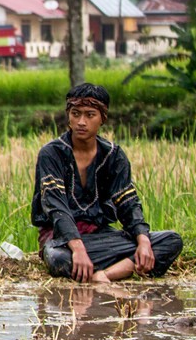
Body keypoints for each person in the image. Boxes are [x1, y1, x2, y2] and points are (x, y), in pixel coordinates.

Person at [31, 83, 182, 283]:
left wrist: (143, 240)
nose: (81, 122)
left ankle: (104, 274)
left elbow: (128, 203)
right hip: (63, 240)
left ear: (103, 117)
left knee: (171, 241)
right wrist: (78, 249)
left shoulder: (114, 156)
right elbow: (56, 207)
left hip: (102, 238)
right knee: (60, 259)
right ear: (68, 115)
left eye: (89, 115)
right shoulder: (52, 153)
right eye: (75, 114)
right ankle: (121, 267)